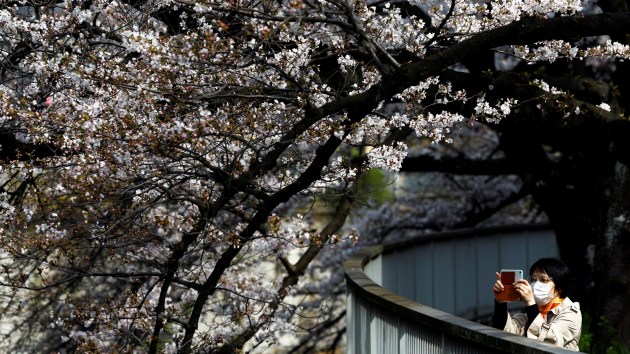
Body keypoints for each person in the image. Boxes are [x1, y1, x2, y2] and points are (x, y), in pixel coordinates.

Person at [490, 257, 582, 351]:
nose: (536, 284)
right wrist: (500, 302)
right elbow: (504, 330)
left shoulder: (571, 313)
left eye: (543, 280)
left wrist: (530, 303)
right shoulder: (534, 310)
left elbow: (552, 341)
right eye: (533, 279)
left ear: (559, 288)